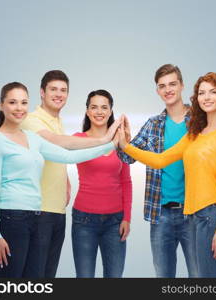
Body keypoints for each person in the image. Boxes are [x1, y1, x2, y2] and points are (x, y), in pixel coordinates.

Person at [0, 82, 118, 278]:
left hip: (35, 217)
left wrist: (110, 145)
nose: (19, 108)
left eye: (23, 103)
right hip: (11, 218)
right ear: (1, 105)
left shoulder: (32, 138)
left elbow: (68, 156)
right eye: (12, 102)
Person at [119, 72, 216, 278]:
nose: (207, 97)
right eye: (202, 93)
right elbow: (160, 160)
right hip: (191, 216)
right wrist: (125, 145)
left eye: (213, 92)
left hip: (210, 216)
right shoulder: (195, 133)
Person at [20, 70, 120, 277]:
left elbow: (57, 153)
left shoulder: (57, 122)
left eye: (63, 90)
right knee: (35, 275)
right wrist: (104, 141)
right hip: (38, 210)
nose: (59, 94)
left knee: (48, 275)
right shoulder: (31, 120)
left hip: (58, 211)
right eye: (53, 89)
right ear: (42, 92)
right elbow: (55, 142)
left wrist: (65, 179)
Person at [117, 64, 198, 278]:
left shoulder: (199, 122)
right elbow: (126, 157)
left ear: (182, 85)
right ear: (157, 91)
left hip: (193, 213)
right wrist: (125, 139)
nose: (168, 89)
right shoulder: (153, 124)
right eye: (162, 86)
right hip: (160, 214)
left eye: (172, 84)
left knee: (199, 276)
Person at [71, 90, 132, 278]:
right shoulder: (78, 139)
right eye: (94, 107)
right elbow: (60, 159)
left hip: (115, 222)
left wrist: (127, 218)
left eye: (104, 107)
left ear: (111, 111)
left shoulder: (119, 142)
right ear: (87, 111)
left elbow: (126, 181)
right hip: (84, 221)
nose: (99, 111)